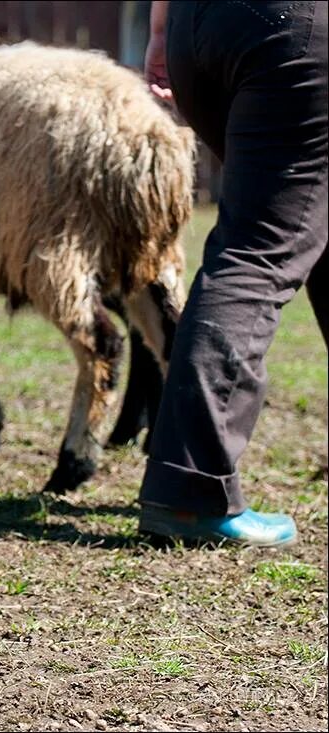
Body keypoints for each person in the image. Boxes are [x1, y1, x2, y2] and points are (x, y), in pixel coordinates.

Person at [139, 0, 327, 546]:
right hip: (294, 30)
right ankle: (191, 493)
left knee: (305, 217)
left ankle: (188, 484)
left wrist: (160, 30)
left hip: (199, 23)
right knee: (261, 248)